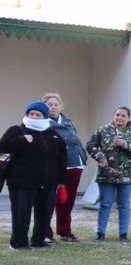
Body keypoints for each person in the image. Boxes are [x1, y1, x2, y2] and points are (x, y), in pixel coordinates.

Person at [1, 101, 66, 251]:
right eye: (31, 114)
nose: (34, 117)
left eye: (38, 114)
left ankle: (38, 240)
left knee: (44, 214)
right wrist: (22, 140)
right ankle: (18, 243)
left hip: (48, 183)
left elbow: (62, 159)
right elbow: (3, 146)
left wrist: (61, 180)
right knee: (21, 214)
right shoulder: (17, 130)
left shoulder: (53, 134)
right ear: (27, 114)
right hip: (21, 182)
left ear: (44, 116)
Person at [85, 106, 131, 241]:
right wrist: (100, 156)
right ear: (113, 116)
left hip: (128, 175)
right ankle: (100, 233)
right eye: (117, 115)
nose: (119, 118)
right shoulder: (102, 130)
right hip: (106, 174)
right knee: (105, 203)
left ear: (128, 118)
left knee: (124, 204)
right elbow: (91, 145)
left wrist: (126, 144)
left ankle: (123, 234)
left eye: (123, 116)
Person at [42, 93, 87, 242]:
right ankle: (45, 233)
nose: (53, 107)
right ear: (44, 107)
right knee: (50, 200)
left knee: (68, 201)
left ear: (61, 106)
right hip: (56, 167)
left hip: (75, 165)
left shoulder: (68, 121)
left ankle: (65, 232)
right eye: (49, 104)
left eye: (56, 104)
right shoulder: (42, 123)